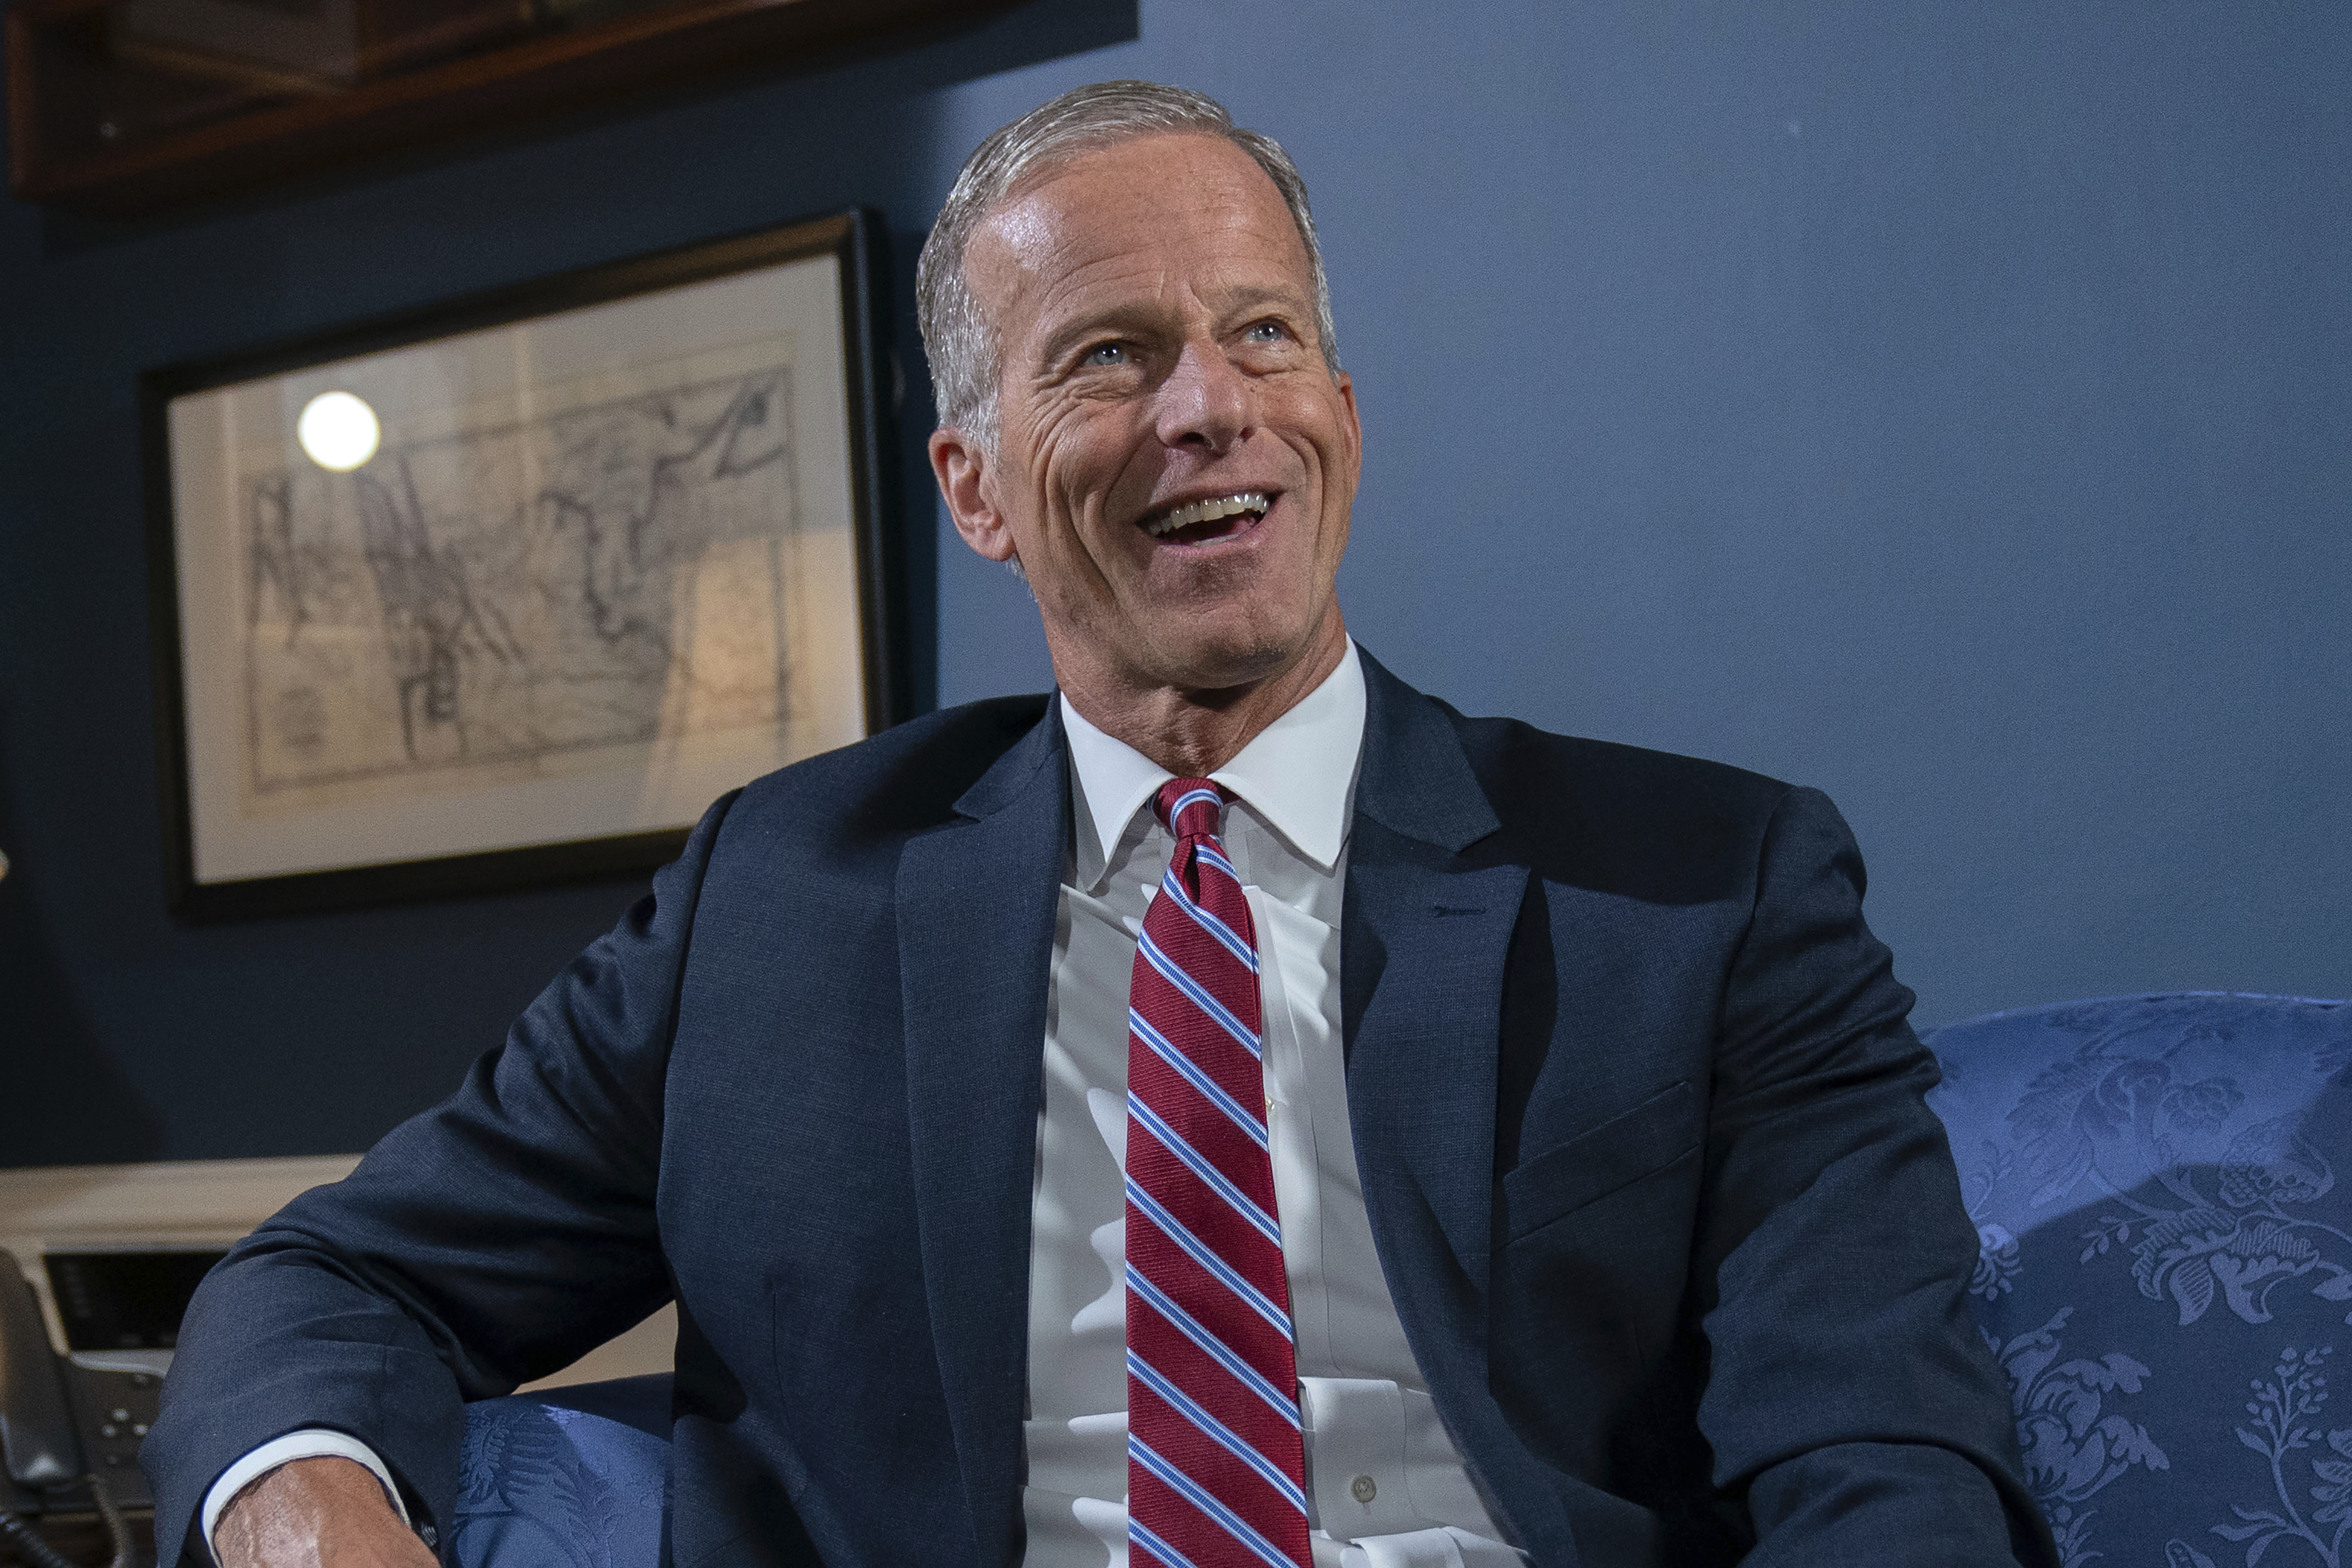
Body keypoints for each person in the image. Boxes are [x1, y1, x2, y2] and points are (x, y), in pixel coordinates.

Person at [145, 81, 2058, 1568]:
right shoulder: (777, 899)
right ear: (976, 488)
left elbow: (1879, 1447)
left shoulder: (1705, 886)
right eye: (1111, 355)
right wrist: (307, 1514)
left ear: (1344, 417)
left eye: (1263, 337)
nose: (1210, 409)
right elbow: (333, 1275)